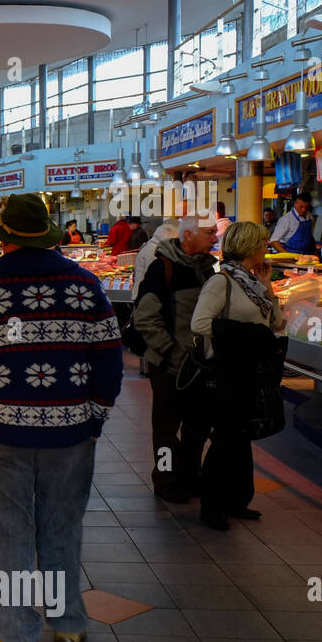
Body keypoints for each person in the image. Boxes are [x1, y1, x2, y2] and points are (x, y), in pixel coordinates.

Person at [0, 193, 123, 642]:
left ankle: (20, 641)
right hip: (70, 433)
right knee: (62, 528)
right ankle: (67, 627)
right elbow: (110, 358)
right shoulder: (86, 285)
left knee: (9, 535)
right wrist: (94, 416)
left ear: (3, 238)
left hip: (0, 434)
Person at [191, 222, 285, 531]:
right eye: (262, 244)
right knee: (226, 438)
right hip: (227, 370)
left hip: (250, 371)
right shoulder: (223, 282)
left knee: (240, 436)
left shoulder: (253, 283)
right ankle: (211, 506)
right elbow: (200, 323)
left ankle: (236, 500)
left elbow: (276, 322)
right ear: (249, 247)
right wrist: (249, 334)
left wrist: (268, 287)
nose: (265, 249)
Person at [132, 214, 219, 503]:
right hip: (169, 367)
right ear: (189, 235)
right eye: (209, 233)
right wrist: (170, 352)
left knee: (197, 429)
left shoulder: (207, 271)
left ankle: (190, 479)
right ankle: (167, 479)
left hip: (200, 367)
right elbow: (145, 316)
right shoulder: (163, 268)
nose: (215, 238)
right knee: (167, 434)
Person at [132, 219, 179, 297]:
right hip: (146, 296)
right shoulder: (154, 251)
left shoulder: (151, 246)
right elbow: (153, 277)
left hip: (144, 294)